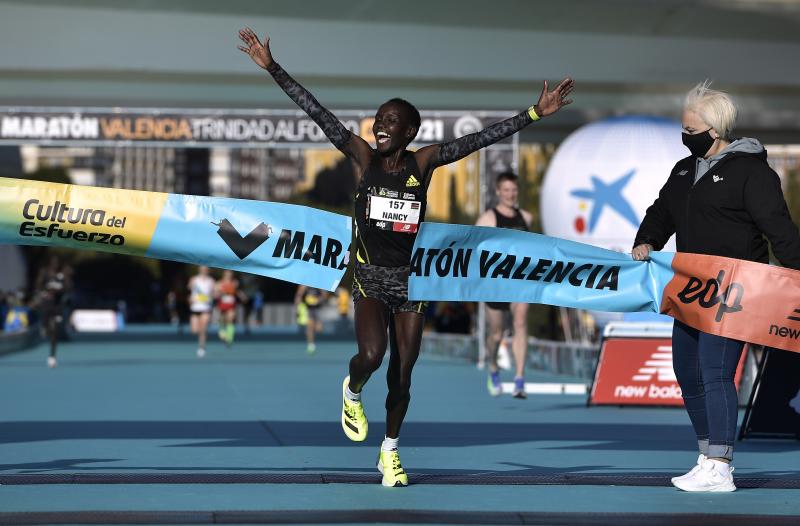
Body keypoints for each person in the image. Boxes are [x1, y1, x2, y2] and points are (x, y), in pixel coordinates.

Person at [238, 27, 573, 487]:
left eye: (391, 121)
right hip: (368, 277)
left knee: (403, 375)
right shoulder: (361, 157)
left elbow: (480, 140)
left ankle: (390, 452)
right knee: (372, 356)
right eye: (378, 118)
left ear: (410, 131)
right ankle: (352, 388)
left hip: (411, 281)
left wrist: (536, 112)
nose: (380, 125)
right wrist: (273, 67)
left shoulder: (424, 162)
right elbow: (317, 112)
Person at [632, 81, 800, 492]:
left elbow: (779, 229)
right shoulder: (683, 169)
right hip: (689, 289)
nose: (685, 136)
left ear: (716, 130)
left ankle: (721, 465)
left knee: (716, 371)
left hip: (735, 293)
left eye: (691, 130)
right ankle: (708, 454)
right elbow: (661, 212)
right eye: (683, 128)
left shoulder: (752, 172)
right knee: (685, 371)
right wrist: (647, 239)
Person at [475, 172, 533, 398]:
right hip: (495, 282)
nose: (511, 194)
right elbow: (475, 250)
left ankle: (519, 378)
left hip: (520, 280)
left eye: (514, 190)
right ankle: (493, 367)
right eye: (506, 190)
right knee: (496, 334)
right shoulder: (487, 219)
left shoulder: (526, 218)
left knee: (520, 322)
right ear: (498, 192)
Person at [34, 258, 72, 368]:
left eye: (57, 264)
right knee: (46, 327)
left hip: (57, 306)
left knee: (55, 331)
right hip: (46, 305)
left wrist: (60, 289)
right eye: (54, 263)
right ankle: (44, 327)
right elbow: (38, 285)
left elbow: (68, 288)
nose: (55, 265)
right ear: (50, 264)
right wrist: (46, 290)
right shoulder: (44, 272)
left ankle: (52, 356)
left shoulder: (62, 275)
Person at [188, 266, 215, 358]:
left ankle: (201, 347)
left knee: (203, 329)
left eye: (206, 269)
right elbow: (189, 290)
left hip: (205, 307)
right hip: (195, 307)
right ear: (199, 270)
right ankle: (201, 339)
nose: (204, 271)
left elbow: (214, 294)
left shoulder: (211, 281)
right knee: (194, 330)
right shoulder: (194, 279)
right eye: (202, 269)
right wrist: (191, 298)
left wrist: (211, 296)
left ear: (208, 270)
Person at [216, 270, 245, 348]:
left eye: (230, 274)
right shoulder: (219, 283)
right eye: (227, 274)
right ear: (224, 274)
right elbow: (216, 294)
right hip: (222, 304)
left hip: (231, 305)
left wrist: (242, 296)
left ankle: (229, 338)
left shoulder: (235, 282)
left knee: (230, 319)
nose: (229, 276)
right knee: (223, 319)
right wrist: (222, 292)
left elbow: (237, 291)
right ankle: (222, 331)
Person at [294, 285, 326, 354]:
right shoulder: (303, 286)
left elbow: (324, 296)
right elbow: (298, 296)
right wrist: (297, 309)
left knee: (319, 329)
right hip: (308, 309)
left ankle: (313, 339)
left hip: (317, 309)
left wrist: (318, 300)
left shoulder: (319, 285)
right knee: (310, 327)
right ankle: (311, 345)